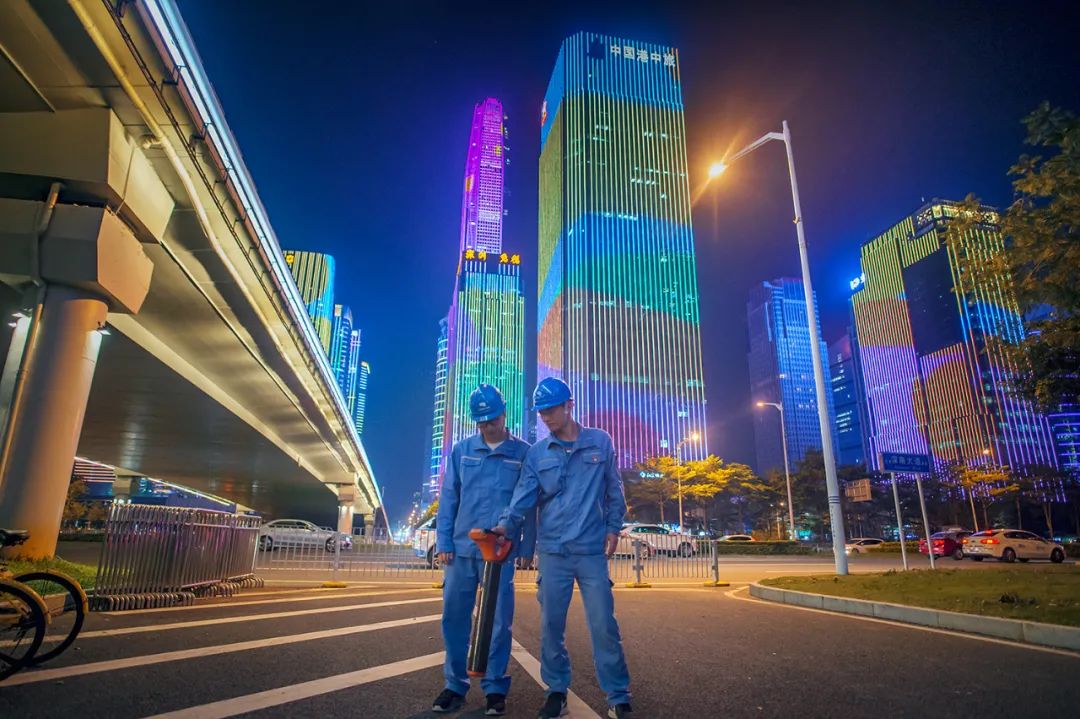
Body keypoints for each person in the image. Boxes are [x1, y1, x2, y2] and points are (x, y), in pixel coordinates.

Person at [494, 377, 634, 719]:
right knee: (551, 627)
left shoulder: (599, 442)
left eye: (551, 410)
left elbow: (614, 490)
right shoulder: (538, 453)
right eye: (541, 412)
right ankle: (556, 691)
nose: (545, 417)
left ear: (569, 405)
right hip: (553, 552)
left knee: (603, 624)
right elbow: (523, 497)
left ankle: (618, 695)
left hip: (590, 552)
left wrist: (613, 527)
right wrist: (505, 525)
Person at [431, 384, 532, 716]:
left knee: (499, 622)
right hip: (461, 550)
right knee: (454, 617)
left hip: (501, 552)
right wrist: (444, 542)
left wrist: (527, 546)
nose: (488, 426)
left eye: (493, 420)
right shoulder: (462, 451)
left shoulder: (523, 453)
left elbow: (529, 503)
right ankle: (454, 685)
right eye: (482, 422)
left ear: (505, 414)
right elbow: (449, 498)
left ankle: (495, 688)